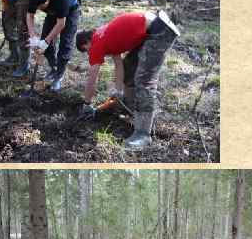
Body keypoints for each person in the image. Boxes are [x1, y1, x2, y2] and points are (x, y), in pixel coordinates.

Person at [76, 10, 180, 149]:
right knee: (129, 67)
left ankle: (143, 134)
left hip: (159, 32)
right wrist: (118, 91)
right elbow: (119, 64)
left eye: (86, 50)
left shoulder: (96, 44)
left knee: (144, 80)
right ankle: (131, 111)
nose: (88, 53)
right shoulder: (102, 35)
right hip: (153, 27)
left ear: (87, 42)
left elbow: (92, 77)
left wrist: (87, 103)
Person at [25, 0, 81, 91]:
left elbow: (61, 24)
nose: (40, 9)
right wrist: (32, 37)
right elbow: (30, 16)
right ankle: (54, 68)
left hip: (71, 10)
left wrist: (46, 41)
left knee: (65, 43)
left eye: (42, 6)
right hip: (53, 12)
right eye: (38, 7)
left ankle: (59, 76)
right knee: (45, 44)